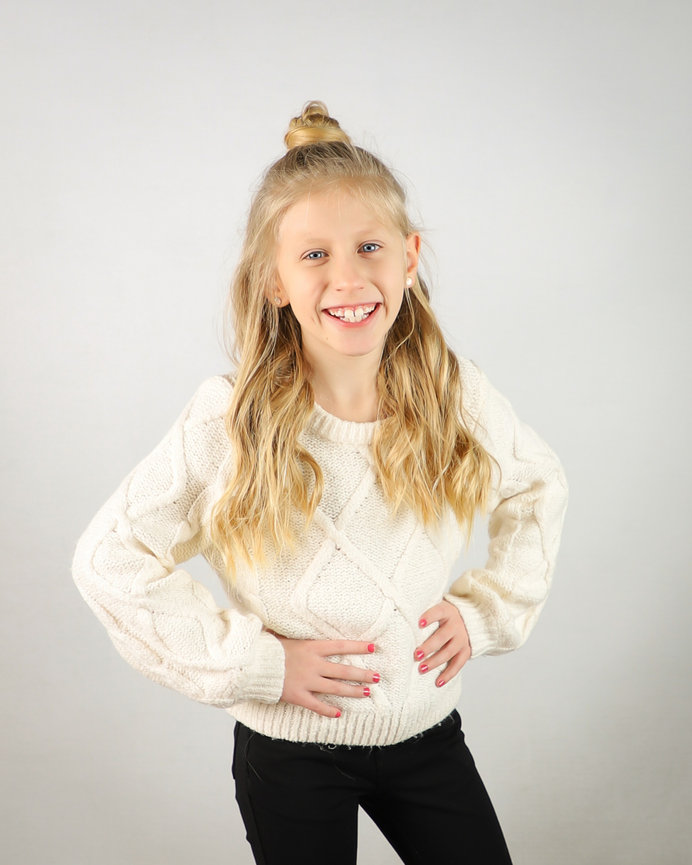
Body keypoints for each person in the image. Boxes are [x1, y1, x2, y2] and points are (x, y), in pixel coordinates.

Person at [72, 101, 568, 865]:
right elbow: (109, 558)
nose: (348, 277)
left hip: (426, 735)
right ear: (274, 280)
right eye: (314, 255)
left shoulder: (453, 393)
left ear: (409, 257)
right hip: (290, 755)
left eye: (370, 247)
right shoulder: (230, 420)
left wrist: (489, 612)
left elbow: (538, 485)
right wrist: (259, 664)